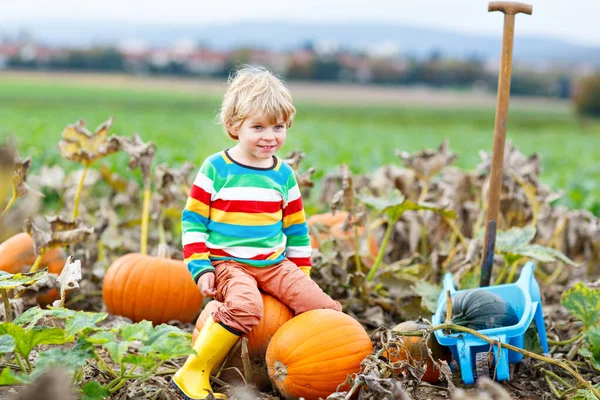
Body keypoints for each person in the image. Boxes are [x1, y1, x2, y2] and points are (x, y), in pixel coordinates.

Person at [172, 65, 342, 400]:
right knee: (248, 309)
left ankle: (324, 371)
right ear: (234, 126)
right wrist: (201, 267)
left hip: (275, 265)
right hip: (229, 264)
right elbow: (193, 222)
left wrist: (301, 274)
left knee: (323, 309)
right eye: (258, 127)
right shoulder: (216, 169)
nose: (270, 136)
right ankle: (193, 371)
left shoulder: (283, 175)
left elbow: (296, 229)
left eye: (278, 127)